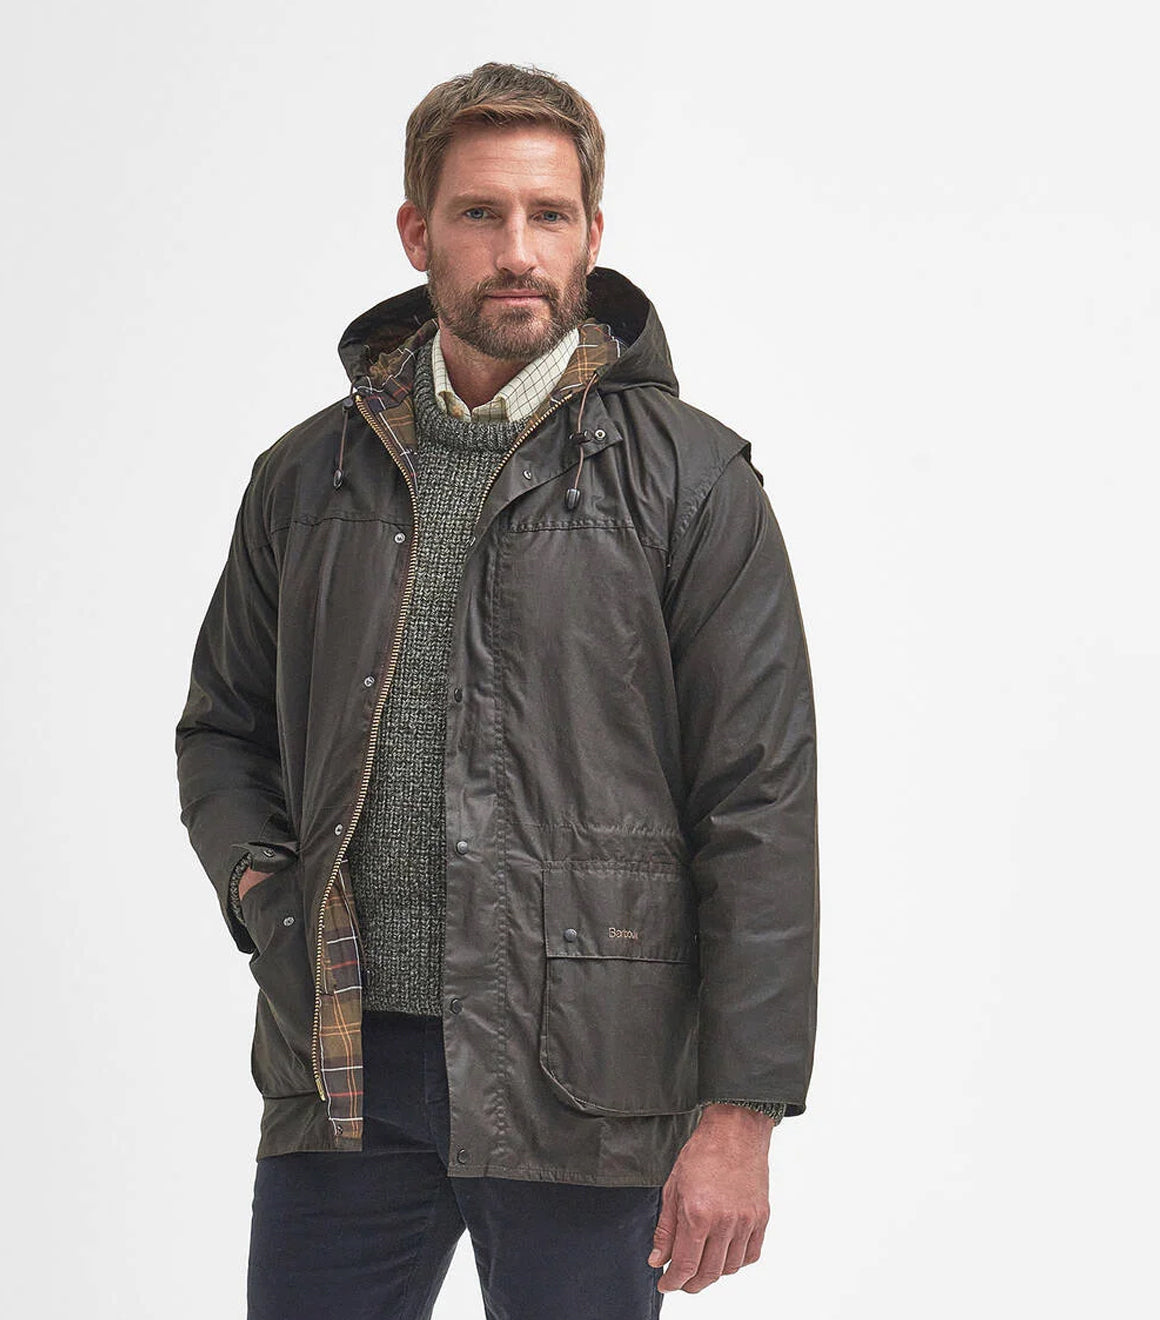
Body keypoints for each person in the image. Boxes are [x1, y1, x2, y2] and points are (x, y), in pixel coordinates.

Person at [175, 61, 819, 1320]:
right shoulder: (303, 478)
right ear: (418, 232)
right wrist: (264, 890)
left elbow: (758, 803)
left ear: (592, 234)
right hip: (345, 1072)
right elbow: (223, 730)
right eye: (480, 213)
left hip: (585, 1072)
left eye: (548, 214)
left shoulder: (694, 482)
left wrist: (742, 1112)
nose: (517, 251)